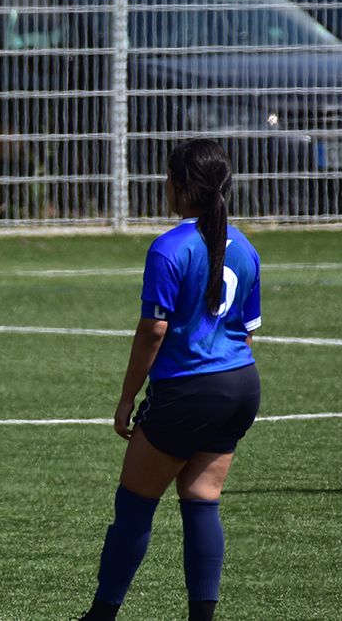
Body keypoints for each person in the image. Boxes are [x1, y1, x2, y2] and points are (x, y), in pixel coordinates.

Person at [77, 139, 262, 621]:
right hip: (240, 384)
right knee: (201, 501)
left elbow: (153, 330)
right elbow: (245, 330)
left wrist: (126, 400)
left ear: (181, 186)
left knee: (135, 503)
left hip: (188, 390)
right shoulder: (245, 247)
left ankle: (100, 616)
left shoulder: (169, 247)